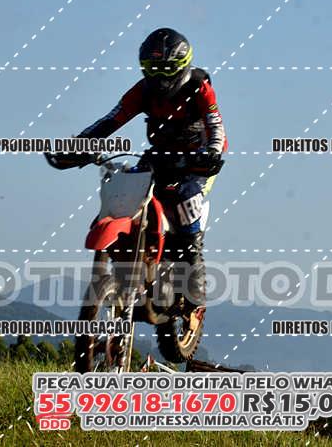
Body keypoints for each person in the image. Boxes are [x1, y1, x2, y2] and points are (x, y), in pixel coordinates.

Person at [45, 27, 227, 322]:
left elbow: (215, 124)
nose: (158, 75)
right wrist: (76, 147)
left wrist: (213, 152)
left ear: (182, 65)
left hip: (199, 159)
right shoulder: (142, 91)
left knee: (185, 200)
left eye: (166, 68)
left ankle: (194, 284)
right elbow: (111, 119)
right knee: (130, 185)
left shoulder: (199, 87)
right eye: (152, 68)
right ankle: (137, 258)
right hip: (160, 154)